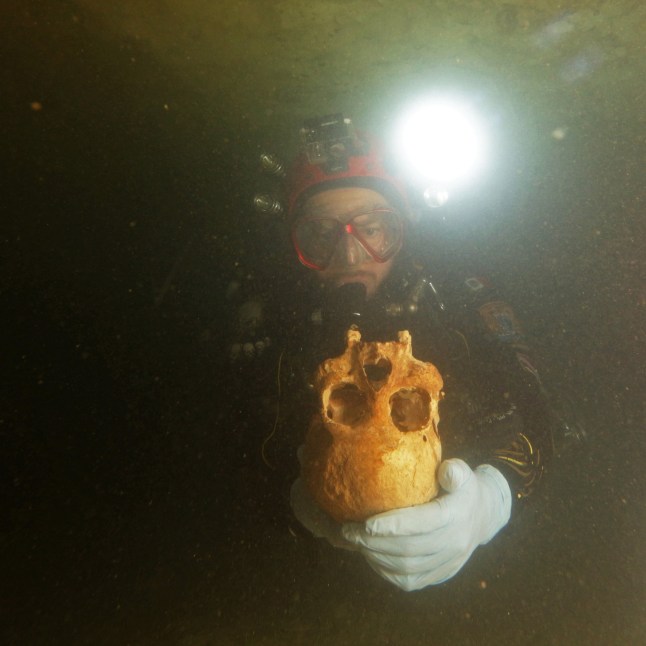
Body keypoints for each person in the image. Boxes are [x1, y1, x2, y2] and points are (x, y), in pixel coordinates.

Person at [227, 115, 564, 592]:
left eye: (373, 229)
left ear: (402, 228)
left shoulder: (456, 294)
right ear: (294, 243)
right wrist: (296, 503)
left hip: (476, 582)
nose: (349, 256)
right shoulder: (275, 318)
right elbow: (238, 446)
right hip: (322, 583)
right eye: (321, 235)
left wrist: (492, 498)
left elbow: (535, 407)